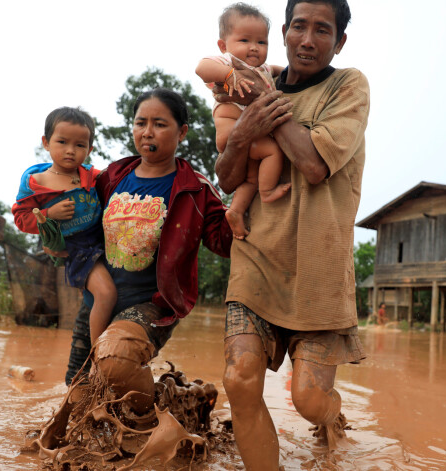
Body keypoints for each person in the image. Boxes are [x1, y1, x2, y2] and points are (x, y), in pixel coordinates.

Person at [214, 0, 370, 468]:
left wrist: (261, 107)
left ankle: (333, 416)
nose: (307, 39)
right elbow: (226, 176)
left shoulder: (348, 85)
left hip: (318, 272)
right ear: (282, 31)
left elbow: (313, 164)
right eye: (298, 26)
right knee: (240, 379)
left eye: (322, 30)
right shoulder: (248, 85)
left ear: (339, 41)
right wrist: (244, 132)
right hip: (256, 261)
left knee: (308, 399)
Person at [63, 89, 233, 414]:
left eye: (159, 124)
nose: (147, 132)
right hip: (98, 303)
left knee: (115, 359)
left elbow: (222, 241)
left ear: (182, 132)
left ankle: (167, 406)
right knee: (79, 396)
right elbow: (82, 223)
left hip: (151, 305)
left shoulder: (194, 188)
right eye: (140, 123)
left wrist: (244, 204)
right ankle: (162, 400)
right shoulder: (113, 176)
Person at [12, 107, 117, 346]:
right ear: (46, 142)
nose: (70, 150)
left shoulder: (92, 176)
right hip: (76, 249)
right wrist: (49, 213)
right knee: (106, 293)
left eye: (80, 145)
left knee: (114, 294)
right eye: (62, 142)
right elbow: (21, 219)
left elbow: (120, 185)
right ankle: (99, 354)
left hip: (104, 240)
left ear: (89, 149)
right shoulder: (36, 183)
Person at [195, 3, 289, 239]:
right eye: (245, 40)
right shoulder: (228, 63)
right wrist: (229, 76)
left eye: (261, 42)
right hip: (231, 132)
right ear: (223, 45)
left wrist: (287, 72)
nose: (254, 48)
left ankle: (235, 211)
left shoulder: (263, 68)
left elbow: (279, 70)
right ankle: (267, 192)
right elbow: (201, 68)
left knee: (251, 177)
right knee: (273, 152)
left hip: (250, 137)